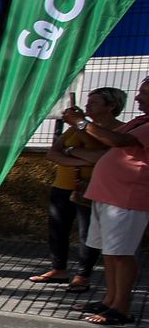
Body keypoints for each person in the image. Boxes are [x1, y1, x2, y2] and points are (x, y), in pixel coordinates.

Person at [63, 76, 149, 326]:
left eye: (144, 93)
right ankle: (110, 300)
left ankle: (121, 307)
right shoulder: (140, 120)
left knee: (121, 253)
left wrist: (80, 123)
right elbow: (106, 135)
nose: (137, 97)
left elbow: (117, 141)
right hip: (109, 194)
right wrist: (83, 123)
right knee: (110, 252)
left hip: (128, 197)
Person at [36, 88, 124, 293]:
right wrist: (79, 156)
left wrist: (79, 136)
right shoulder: (74, 128)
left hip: (93, 187)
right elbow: (53, 154)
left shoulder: (117, 130)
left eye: (94, 103)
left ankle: (83, 275)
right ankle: (59, 269)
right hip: (63, 185)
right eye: (88, 101)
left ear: (111, 106)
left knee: (88, 232)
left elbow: (101, 155)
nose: (87, 106)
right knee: (58, 229)